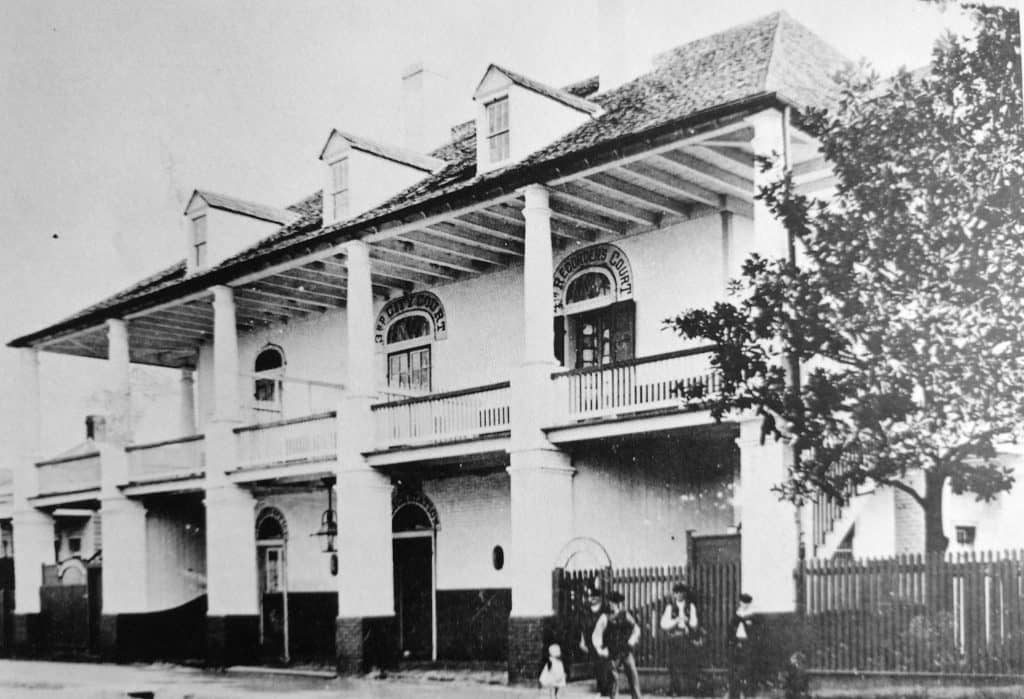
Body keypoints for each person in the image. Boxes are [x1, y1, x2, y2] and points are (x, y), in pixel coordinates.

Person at [592, 590, 642, 699]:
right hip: (612, 651)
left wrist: (631, 642)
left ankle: (637, 697)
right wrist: (600, 649)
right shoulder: (604, 617)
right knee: (613, 679)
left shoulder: (626, 615)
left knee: (633, 674)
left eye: (616, 602)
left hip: (625, 650)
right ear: (609, 603)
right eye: (612, 602)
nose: (613, 605)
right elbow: (597, 635)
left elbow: (636, 629)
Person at [659, 582, 700, 696]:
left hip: (687, 637)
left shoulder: (690, 606)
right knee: (673, 664)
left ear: (685, 594)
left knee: (690, 663)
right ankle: (675, 689)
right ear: (674, 594)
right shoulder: (669, 607)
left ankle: (691, 689)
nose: (680, 595)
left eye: (682, 592)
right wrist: (676, 621)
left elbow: (695, 623)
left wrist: (688, 621)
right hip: (674, 638)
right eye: (677, 592)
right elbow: (663, 624)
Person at [578, 586, 613, 695]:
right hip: (590, 642)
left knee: (605, 664)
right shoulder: (585, 610)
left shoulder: (605, 609)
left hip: (603, 641)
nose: (591, 598)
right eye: (590, 596)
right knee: (596, 664)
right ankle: (601, 687)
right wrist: (582, 641)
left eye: (594, 596)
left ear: (599, 598)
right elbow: (583, 628)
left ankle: (606, 689)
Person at [727, 593, 757, 699]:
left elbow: (754, 632)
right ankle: (734, 694)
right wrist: (733, 641)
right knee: (734, 669)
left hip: (747, 643)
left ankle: (747, 693)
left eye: (747, 603)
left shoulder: (752, 616)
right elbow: (730, 630)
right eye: (743, 602)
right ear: (740, 602)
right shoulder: (736, 615)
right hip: (736, 643)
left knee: (746, 668)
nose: (744, 605)